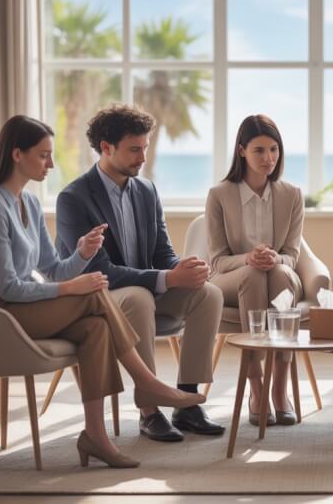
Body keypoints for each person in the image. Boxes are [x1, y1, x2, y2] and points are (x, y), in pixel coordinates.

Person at [0, 115, 204, 468]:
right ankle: (147, 383)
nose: (52, 163)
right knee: (91, 295)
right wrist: (70, 287)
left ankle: (95, 436)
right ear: (17, 155)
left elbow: (50, 268)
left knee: (96, 328)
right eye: (43, 155)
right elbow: (6, 287)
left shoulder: (27, 204)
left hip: (15, 303)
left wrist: (82, 255)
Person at [55, 104, 225, 442]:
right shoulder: (73, 198)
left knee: (209, 293)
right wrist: (166, 279)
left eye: (145, 148)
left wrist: (183, 269)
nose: (143, 157)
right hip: (99, 298)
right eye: (135, 149)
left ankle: (186, 402)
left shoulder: (146, 190)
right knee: (139, 296)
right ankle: (149, 409)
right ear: (106, 147)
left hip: (144, 291)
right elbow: (99, 270)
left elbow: (161, 251)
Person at [206, 114, 304, 427]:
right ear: (241, 151)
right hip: (232, 277)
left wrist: (274, 259)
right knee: (252, 274)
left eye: (274, 149)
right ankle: (256, 387)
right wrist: (249, 258)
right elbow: (218, 261)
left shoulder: (292, 195)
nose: (268, 158)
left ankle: (280, 389)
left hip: (276, 272)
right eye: (259, 150)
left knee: (277, 274)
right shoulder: (219, 195)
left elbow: (292, 254)